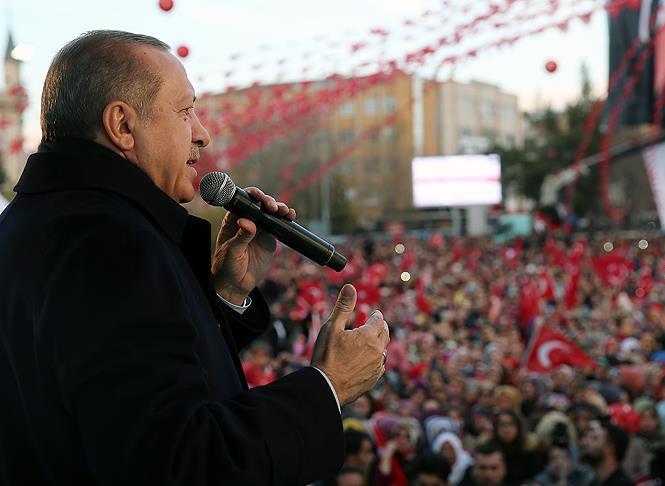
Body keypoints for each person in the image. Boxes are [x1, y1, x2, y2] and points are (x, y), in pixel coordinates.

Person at [0, 30, 390, 485]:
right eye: (186, 112)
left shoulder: (26, 224)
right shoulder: (112, 245)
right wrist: (328, 385)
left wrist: (222, 295)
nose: (202, 134)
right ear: (122, 125)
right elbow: (178, 462)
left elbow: (116, 386)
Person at [579, 421, 633, 486]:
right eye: (586, 437)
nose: (584, 442)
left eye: (594, 438)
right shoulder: (594, 482)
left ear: (610, 448)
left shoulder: (622, 484)